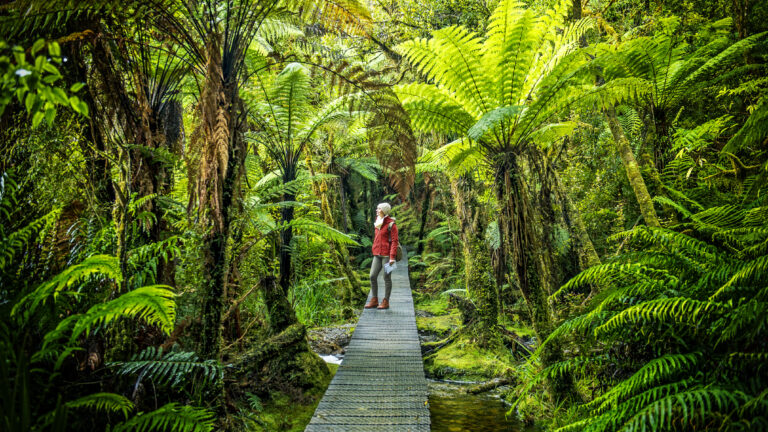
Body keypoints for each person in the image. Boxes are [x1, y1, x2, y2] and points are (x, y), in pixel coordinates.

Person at [365, 202, 399, 310]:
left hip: (387, 256)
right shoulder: (377, 222)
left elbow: (394, 242)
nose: (377, 210)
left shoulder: (391, 224)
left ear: (384, 211)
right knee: (372, 276)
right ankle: (374, 299)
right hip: (377, 254)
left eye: (379, 209)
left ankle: (386, 301)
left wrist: (392, 257)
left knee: (386, 277)